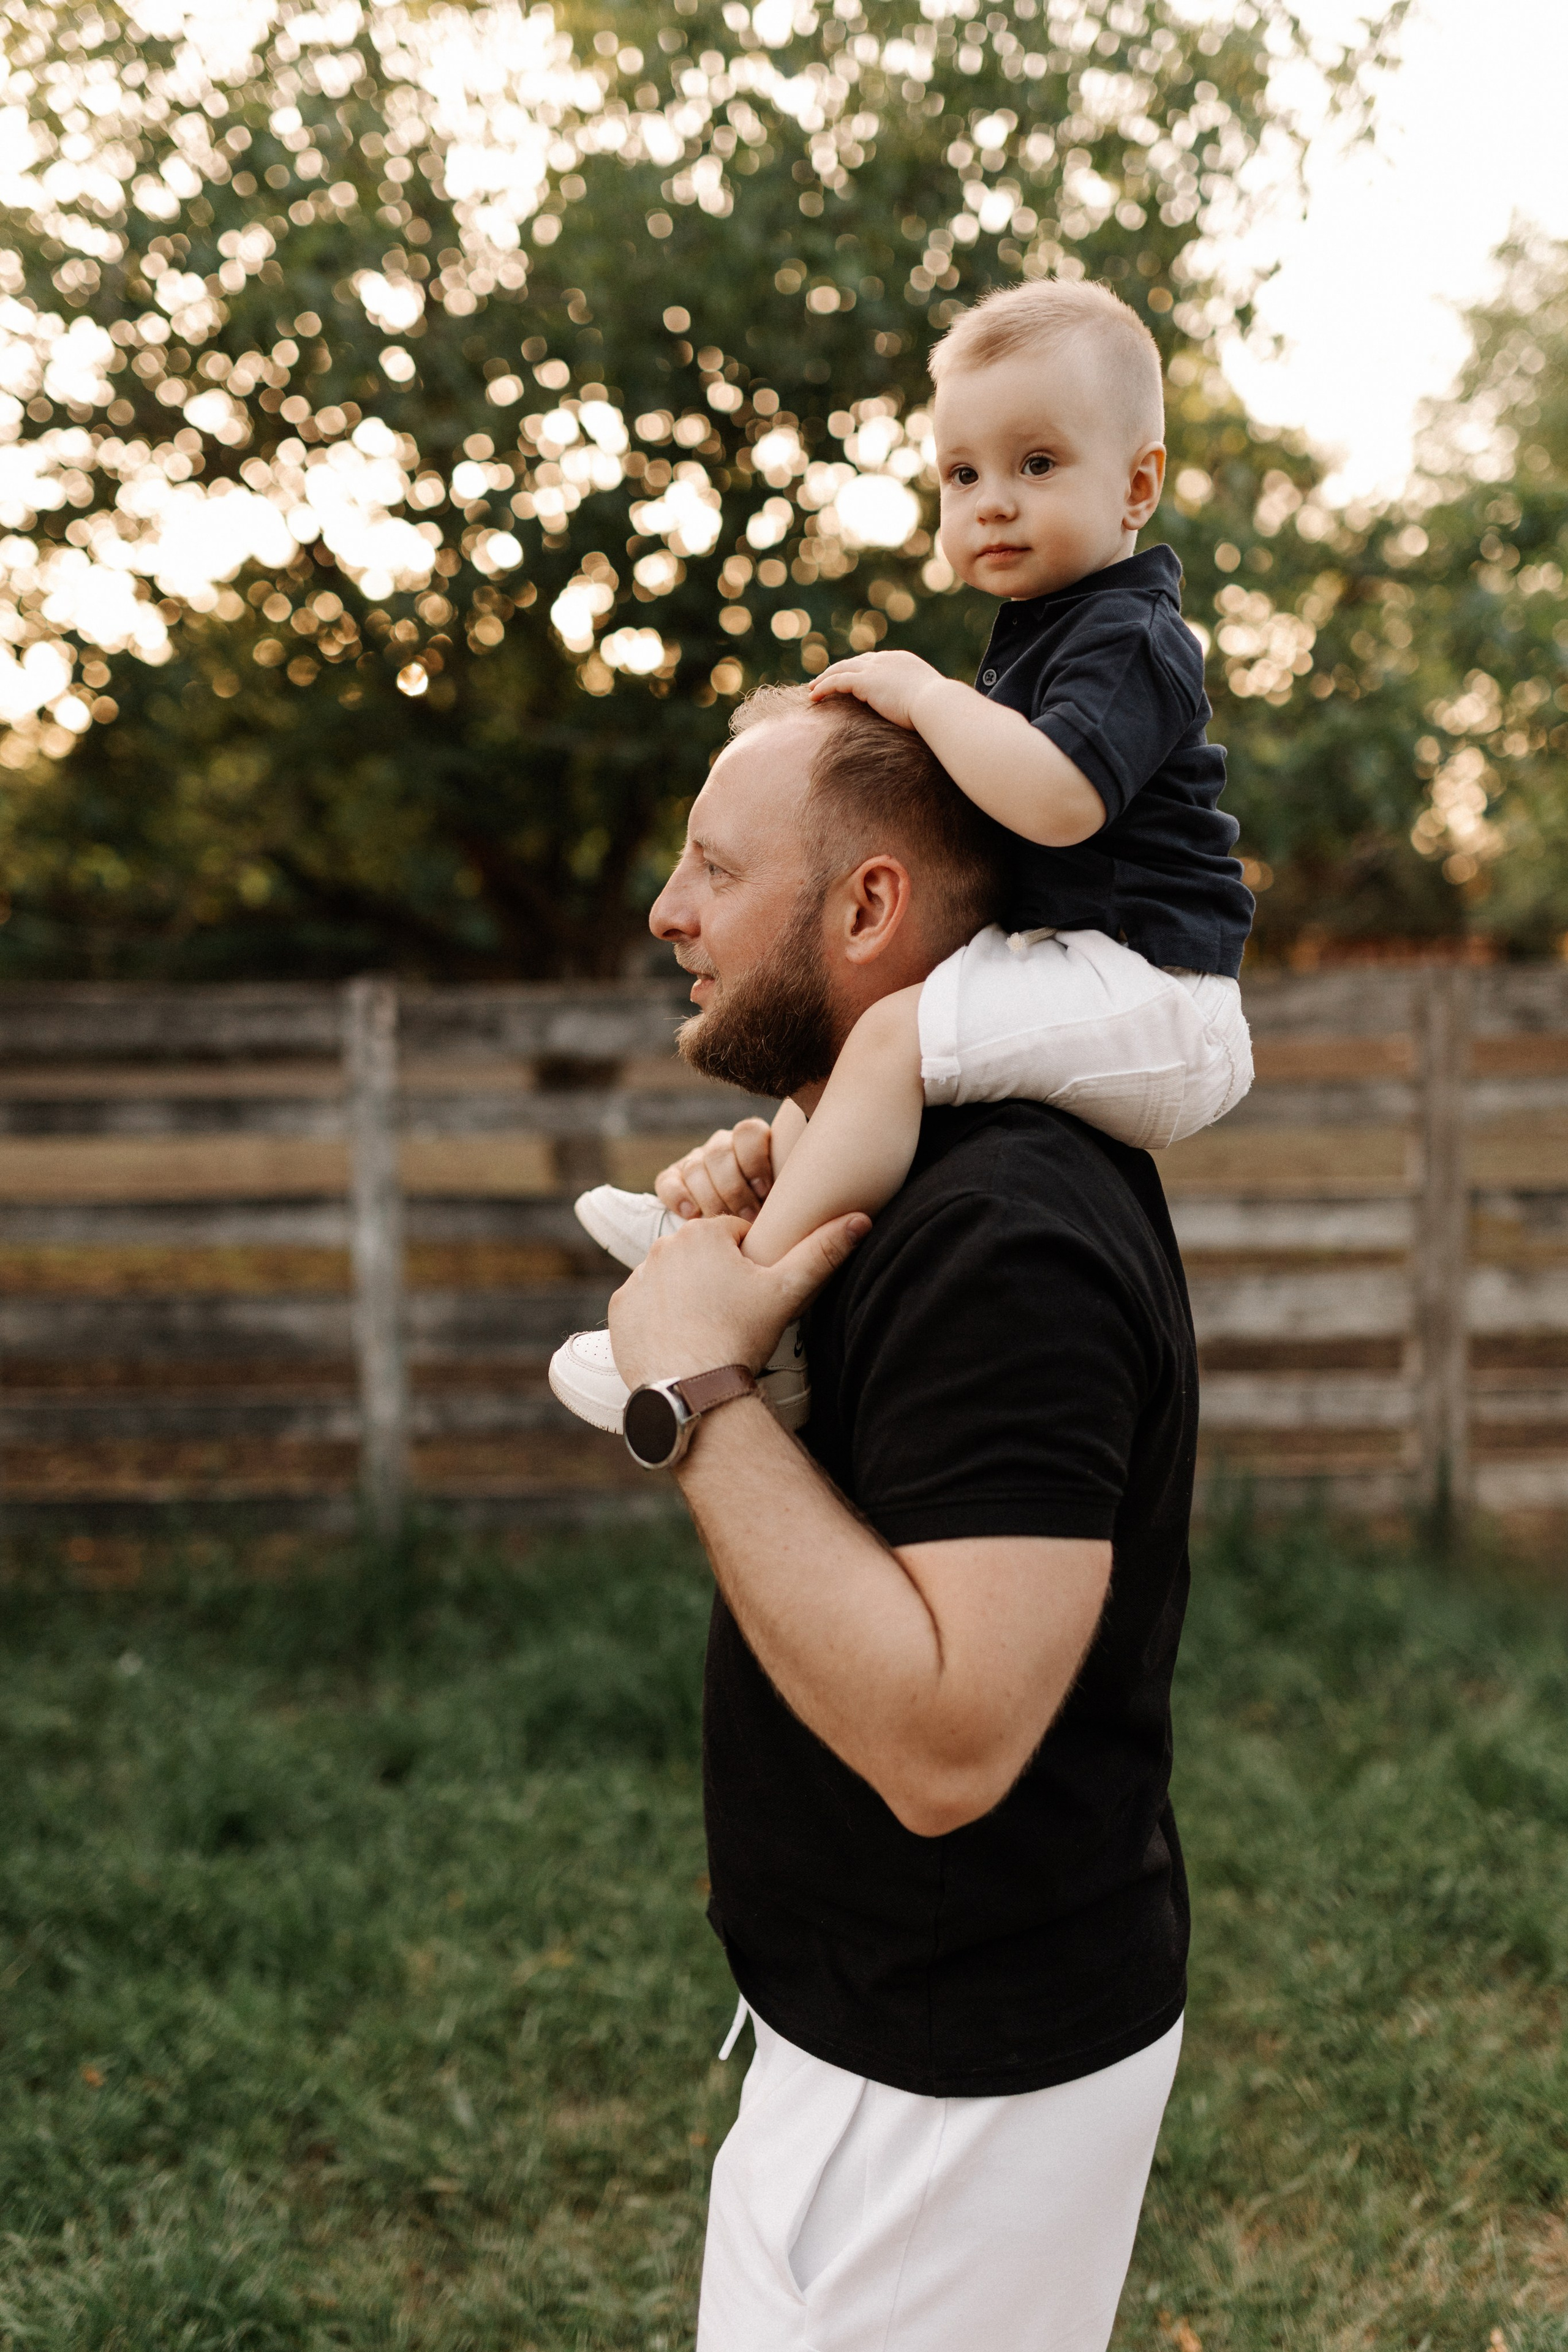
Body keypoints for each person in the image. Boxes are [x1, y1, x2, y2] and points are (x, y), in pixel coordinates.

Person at [576, 687, 1200, 2349]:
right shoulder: (898, 1173)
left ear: (868, 907)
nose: (668, 911)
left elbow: (950, 1744)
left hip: (953, 2089)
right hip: (864, 2028)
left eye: (714, 866)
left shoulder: (1007, 1238)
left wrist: (693, 1400)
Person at [554, 275, 1251, 1431]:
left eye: (1036, 465)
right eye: (962, 475)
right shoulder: (1049, 634)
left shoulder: (1133, 636)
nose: (993, 503)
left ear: (1138, 486)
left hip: (1161, 995)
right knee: (849, 1050)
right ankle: (702, 1239)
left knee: (888, 1038)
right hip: (1082, 964)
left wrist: (923, 696)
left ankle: (736, 1309)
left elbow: (1064, 800)